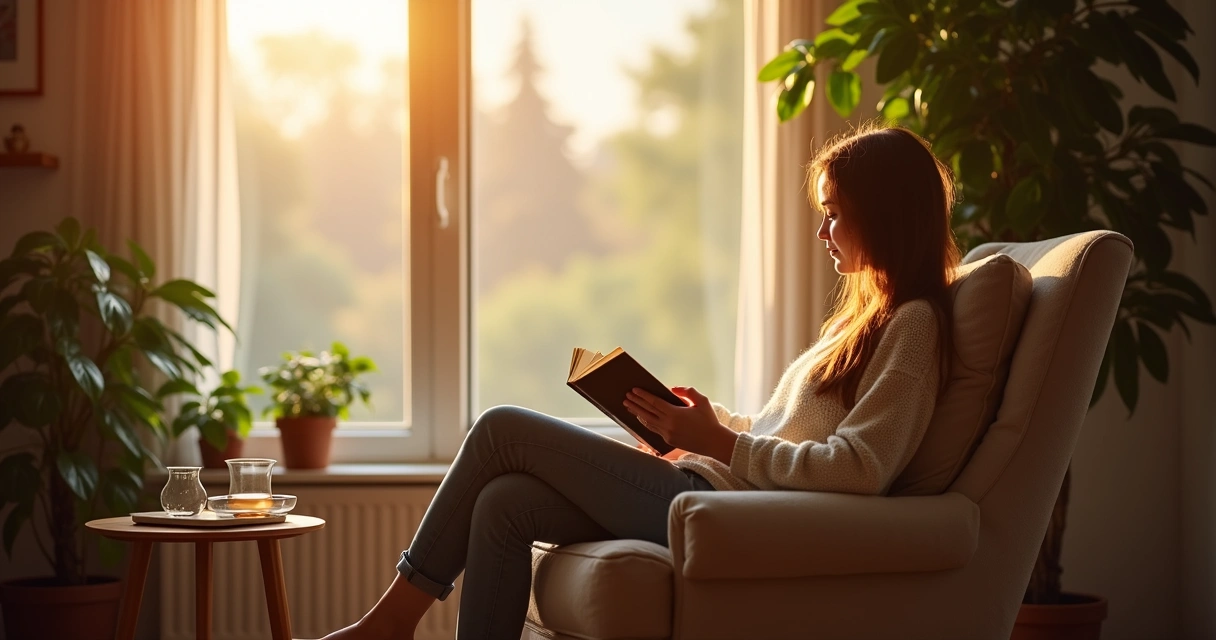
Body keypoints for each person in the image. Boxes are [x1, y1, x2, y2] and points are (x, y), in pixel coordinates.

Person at [320, 123, 960, 640]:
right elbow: (783, 437)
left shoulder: (914, 327)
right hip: (715, 487)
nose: (822, 231)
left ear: (883, 215)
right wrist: (713, 422)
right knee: (503, 504)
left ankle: (390, 624)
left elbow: (860, 469)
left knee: (499, 430)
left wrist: (717, 442)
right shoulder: (859, 323)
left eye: (834, 214)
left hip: (723, 510)